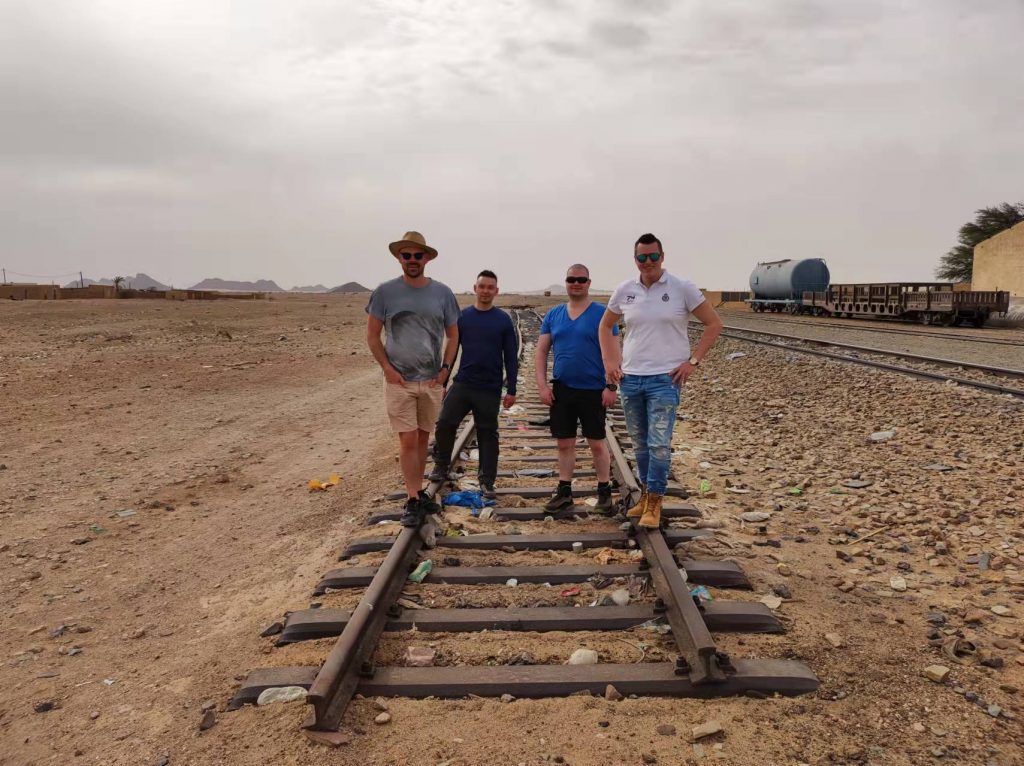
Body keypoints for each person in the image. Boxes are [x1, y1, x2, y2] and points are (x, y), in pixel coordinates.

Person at [599, 233, 723, 529]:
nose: (648, 262)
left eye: (653, 256)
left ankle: (655, 500)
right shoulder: (625, 290)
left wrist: (693, 361)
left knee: (659, 445)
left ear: (662, 256)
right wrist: (611, 363)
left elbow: (714, 323)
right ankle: (644, 496)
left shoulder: (682, 288)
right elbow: (605, 325)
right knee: (640, 444)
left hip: (664, 379)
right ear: (635, 260)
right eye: (642, 258)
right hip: (631, 379)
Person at [366, 231, 460, 528]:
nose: (412, 260)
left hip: (432, 380)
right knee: (407, 440)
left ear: (426, 258)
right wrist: (387, 369)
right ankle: (411, 498)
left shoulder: (443, 293)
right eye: (406, 255)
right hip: (400, 381)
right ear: (399, 258)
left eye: (417, 255)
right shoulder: (384, 293)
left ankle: (419, 492)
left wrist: (445, 370)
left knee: (422, 439)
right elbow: (372, 335)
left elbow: (453, 334)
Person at [534, 264, 619, 514]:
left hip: (594, 389)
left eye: (581, 280)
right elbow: (541, 351)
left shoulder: (603, 314)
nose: (576, 283)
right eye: (571, 279)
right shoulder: (554, 314)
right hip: (563, 389)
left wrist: (611, 385)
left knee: (597, 444)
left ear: (589, 283)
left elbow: (615, 352)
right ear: (567, 282)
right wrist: (542, 385)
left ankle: (604, 494)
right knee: (564, 443)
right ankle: (564, 493)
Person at [430, 270, 518, 498]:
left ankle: (487, 481)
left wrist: (512, 390)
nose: (486, 291)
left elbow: (510, 357)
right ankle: (441, 466)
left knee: (488, 434)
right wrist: (443, 383)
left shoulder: (503, 320)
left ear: (496, 291)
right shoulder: (463, 317)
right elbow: (451, 351)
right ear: (475, 288)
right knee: (445, 423)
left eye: (490, 287)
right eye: (482, 286)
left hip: (489, 388)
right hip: (464, 383)